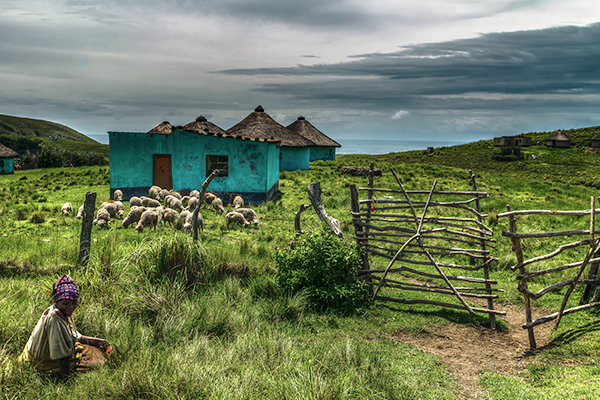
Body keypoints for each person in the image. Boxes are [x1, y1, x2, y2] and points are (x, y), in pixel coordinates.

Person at [18, 274, 110, 378]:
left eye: (74, 303)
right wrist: (66, 378)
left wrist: (99, 341)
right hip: (45, 363)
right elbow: (63, 356)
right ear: (56, 300)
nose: (71, 307)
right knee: (101, 363)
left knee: (98, 349)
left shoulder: (63, 312)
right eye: (66, 303)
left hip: (53, 355)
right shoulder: (55, 318)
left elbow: (75, 336)